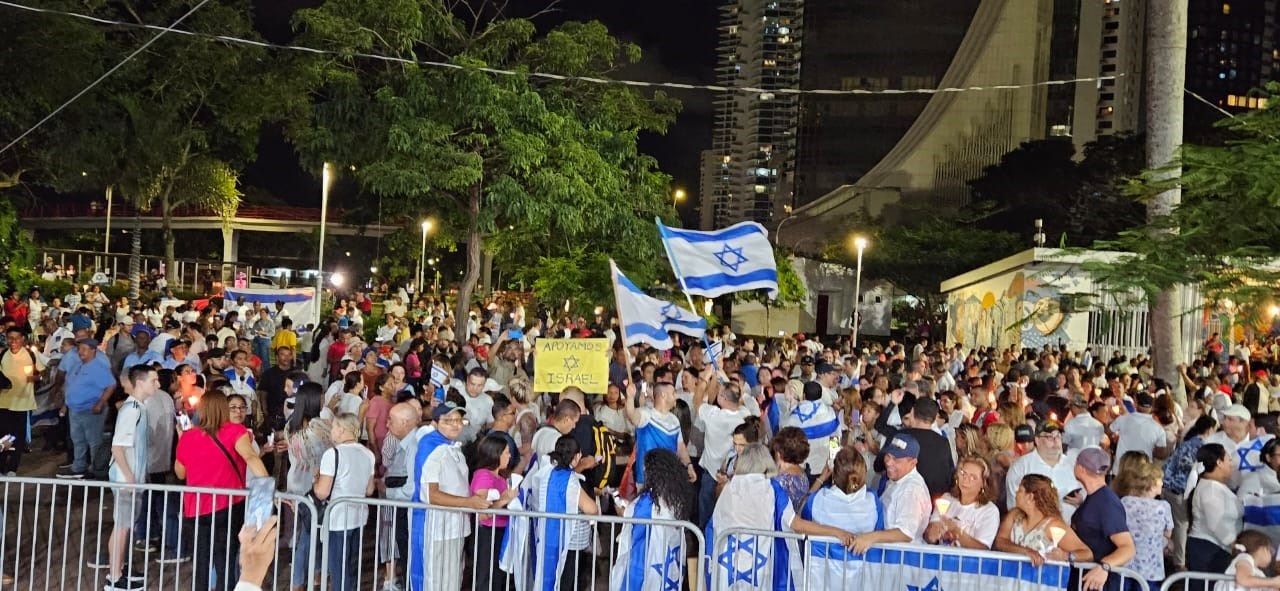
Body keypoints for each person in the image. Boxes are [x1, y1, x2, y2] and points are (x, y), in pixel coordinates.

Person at [707, 443, 856, 591]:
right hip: (760, 566)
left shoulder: (728, 488)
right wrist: (836, 532)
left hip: (726, 564)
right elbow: (796, 524)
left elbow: (713, 525)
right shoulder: (773, 488)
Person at [174, 389, 269, 591]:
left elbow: (180, 473)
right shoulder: (236, 432)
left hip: (195, 508)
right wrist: (267, 488)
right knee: (225, 561)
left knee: (200, 563)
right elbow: (251, 458)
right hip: (228, 506)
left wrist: (181, 438)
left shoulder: (188, 436)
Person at [409, 402, 490, 591]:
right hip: (437, 527)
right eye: (448, 420)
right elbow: (430, 495)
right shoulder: (431, 449)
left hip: (456, 526)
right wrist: (468, 503)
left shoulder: (454, 448)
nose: (455, 424)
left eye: (459, 420)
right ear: (436, 424)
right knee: (435, 581)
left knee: (453, 579)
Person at [104, 364, 159, 591]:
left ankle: (120, 568)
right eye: (154, 380)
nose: (158, 384)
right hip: (126, 479)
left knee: (125, 525)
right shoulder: (132, 410)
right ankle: (115, 577)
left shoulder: (138, 407)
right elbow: (118, 447)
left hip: (132, 477)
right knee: (122, 526)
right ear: (140, 382)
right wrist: (130, 478)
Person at [609, 448, 694, 591]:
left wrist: (623, 513)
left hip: (644, 558)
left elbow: (637, 524)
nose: (643, 469)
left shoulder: (648, 501)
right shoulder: (675, 496)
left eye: (646, 467)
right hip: (668, 559)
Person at [803, 447, 883, 591]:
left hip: (822, 577)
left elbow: (803, 519)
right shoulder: (873, 501)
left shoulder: (817, 499)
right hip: (862, 577)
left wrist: (821, 478)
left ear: (834, 473)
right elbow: (879, 529)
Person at [313, 412, 376, 591]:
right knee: (350, 565)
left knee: (338, 568)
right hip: (359, 516)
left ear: (341, 430)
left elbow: (322, 492)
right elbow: (369, 490)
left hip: (338, 518)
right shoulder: (368, 454)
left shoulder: (332, 454)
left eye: (333, 427)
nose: (331, 431)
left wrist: (315, 481)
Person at [527, 435, 600, 590]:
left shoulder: (547, 472)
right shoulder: (570, 481)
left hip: (548, 534)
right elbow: (591, 509)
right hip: (570, 541)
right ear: (577, 456)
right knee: (567, 582)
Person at [284, 382, 331, 591]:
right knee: (310, 536)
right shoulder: (320, 426)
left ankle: (315, 574)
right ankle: (300, 580)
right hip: (314, 486)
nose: (323, 401)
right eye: (321, 398)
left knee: (310, 533)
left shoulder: (290, 426)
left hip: (296, 483)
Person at [852, 433, 932, 551]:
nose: (889, 462)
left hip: (901, 560)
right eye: (888, 456)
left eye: (896, 459)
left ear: (913, 463)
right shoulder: (897, 479)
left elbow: (905, 533)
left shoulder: (911, 489)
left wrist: (870, 538)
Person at [1071, 447, 1137, 591]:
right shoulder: (1098, 499)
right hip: (1086, 579)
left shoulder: (1107, 503)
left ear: (1081, 468)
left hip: (1098, 583)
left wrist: (1104, 567)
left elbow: (1128, 548)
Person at [994, 474, 1091, 566]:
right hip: (1009, 579)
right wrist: (1026, 551)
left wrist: (1065, 555)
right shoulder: (1014, 515)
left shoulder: (1053, 525)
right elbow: (1000, 541)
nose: (1016, 493)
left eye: (1020, 490)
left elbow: (1087, 554)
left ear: (1030, 497)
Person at [58, 338, 117, 479]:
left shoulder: (98, 367)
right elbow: (70, 386)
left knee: (94, 441)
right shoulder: (78, 366)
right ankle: (79, 467)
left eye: (84, 349)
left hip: (91, 409)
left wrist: (100, 403)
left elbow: (111, 385)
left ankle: (96, 469)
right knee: (77, 440)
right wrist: (65, 405)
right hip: (75, 409)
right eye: (79, 349)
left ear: (93, 350)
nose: (80, 352)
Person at [1164, 415, 1216, 572]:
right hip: (1182, 490)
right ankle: (1179, 562)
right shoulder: (1202, 447)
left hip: (1168, 487)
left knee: (1173, 524)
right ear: (1209, 430)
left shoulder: (1187, 443)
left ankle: (1171, 553)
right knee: (1182, 525)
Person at [1004, 421, 1082, 521]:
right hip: (1034, 531)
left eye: (1058, 436)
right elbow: (1013, 506)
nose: (1055, 440)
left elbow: (1084, 492)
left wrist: (1080, 501)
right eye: (1050, 437)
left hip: (1069, 530)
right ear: (1037, 440)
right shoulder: (1021, 467)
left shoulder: (1072, 464)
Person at [924, 455, 1001, 549]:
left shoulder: (989, 511)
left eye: (973, 477)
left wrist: (956, 531)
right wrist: (932, 533)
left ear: (983, 483)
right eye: (963, 473)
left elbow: (982, 548)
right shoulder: (946, 499)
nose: (966, 479)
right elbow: (929, 536)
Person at [1187, 443, 1242, 575]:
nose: (1232, 464)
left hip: (1217, 547)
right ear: (1219, 463)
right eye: (1228, 459)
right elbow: (1217, 523)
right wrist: (1234, 545)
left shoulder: (1214, 486)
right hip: (1209, 549)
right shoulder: (1211, 489)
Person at [1117, 460, 1172, 591]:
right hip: (1151, 567)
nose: (1162, 483)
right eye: (1160, 480)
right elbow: (1168, 533)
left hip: (1125, 563)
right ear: (1151, 483)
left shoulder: (1125, 502)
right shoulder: (1163, 506)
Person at [0, 326, 42, 475]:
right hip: (3, 402)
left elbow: (43, 374)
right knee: (3, 436)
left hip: (22, 403)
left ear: (23, 339)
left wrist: (36, 378)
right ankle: (2, 466)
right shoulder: (3, 354)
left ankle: (12, 467)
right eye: (10, 338)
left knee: (17, 436)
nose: (13, 341)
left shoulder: (31, 354)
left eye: (16, 338)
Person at [1216, 530, 1280, 591]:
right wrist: (1272, 582)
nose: (1272, 555)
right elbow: (1243, 579)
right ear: (1260, 548)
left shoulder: (1259, 573)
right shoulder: (1244, 558)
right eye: (1270, 550)